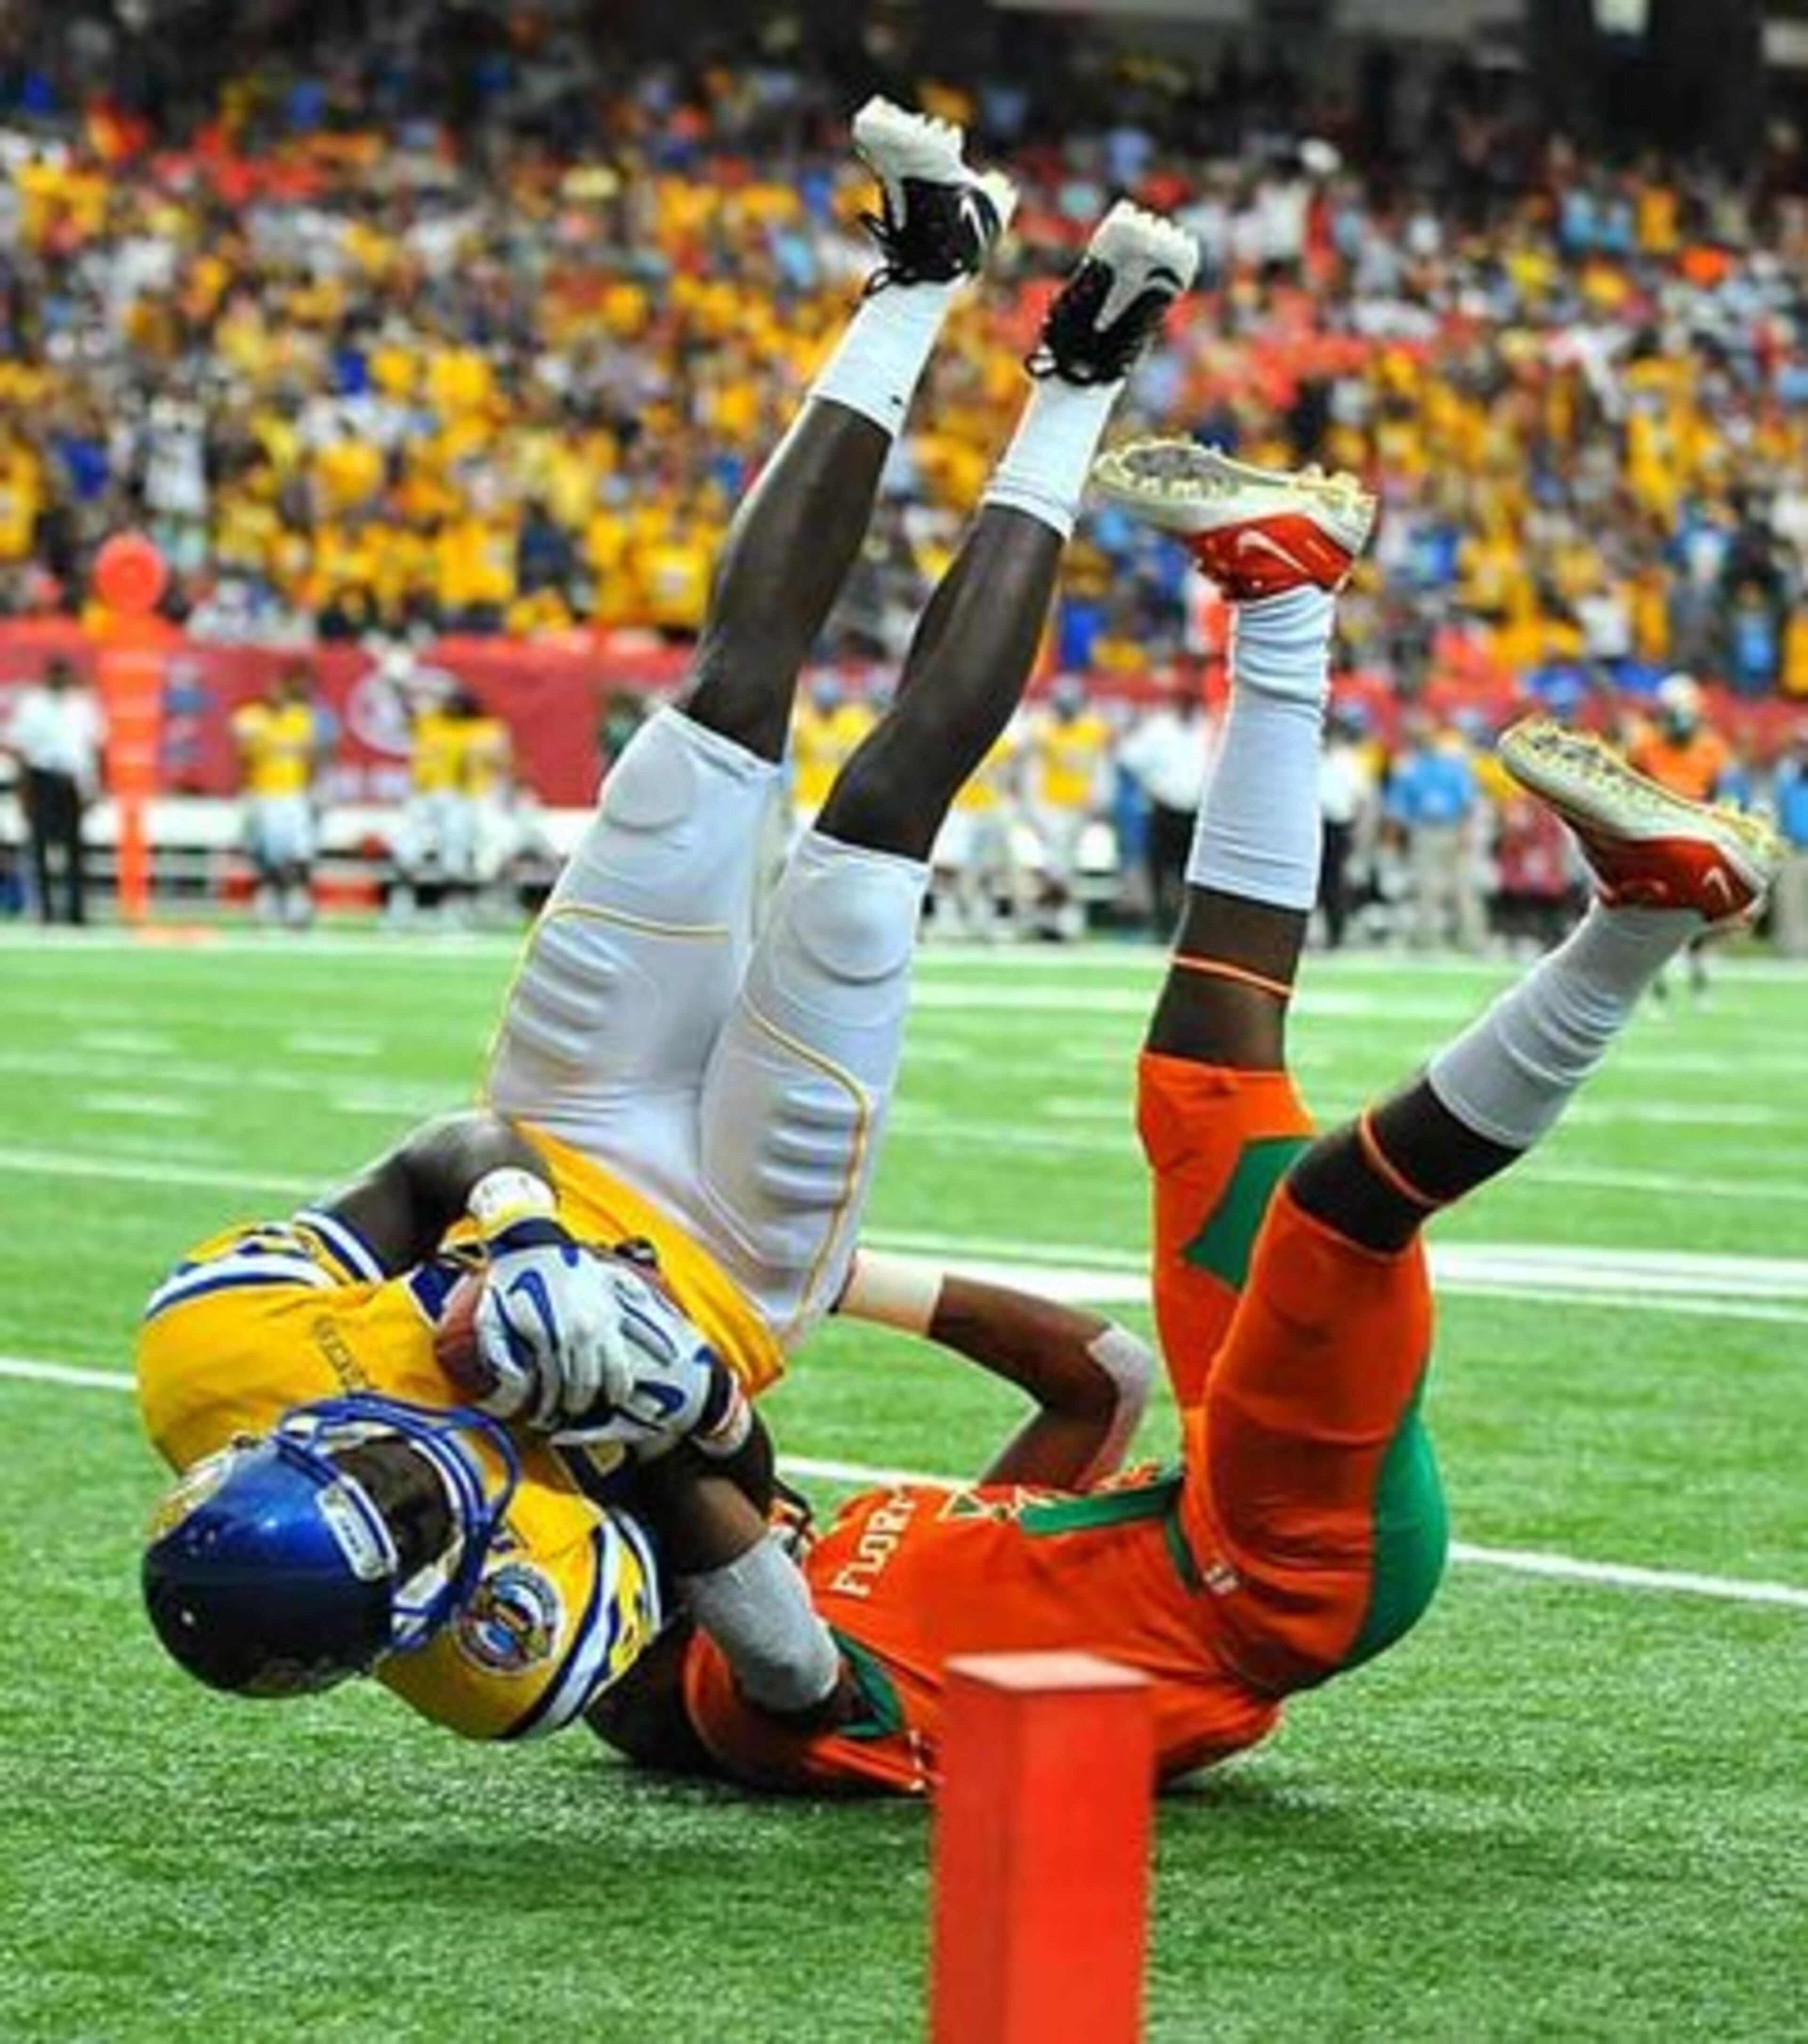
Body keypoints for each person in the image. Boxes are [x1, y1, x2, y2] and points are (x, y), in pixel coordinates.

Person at [136, 99, 1199, 1741]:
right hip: (734, 1263)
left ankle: (918, 277)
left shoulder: (218, 1358)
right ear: (412, 1609)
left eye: (360, 1470)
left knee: (709, 730)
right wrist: (656, 1413)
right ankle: (1080, 381)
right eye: (418, 1529)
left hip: (562, 1127)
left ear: (272, 1444)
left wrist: (524, 1235)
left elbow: (441, 1145)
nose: (411, 1482)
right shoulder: (499, 1649)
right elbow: (785, 1662)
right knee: (870, 842)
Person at [583, 437, 1784, 1795]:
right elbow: (782, 1658)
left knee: (1202, 1072)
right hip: (1274, 1572)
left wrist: (835, 1278)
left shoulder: (857, 1546)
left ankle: (1284, 591)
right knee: (1338, 1210)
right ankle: (1645, 916)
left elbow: (1098, 1373)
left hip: (1223, 1486)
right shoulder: (751, 1693)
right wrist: (639, 1419)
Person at [230, 659, 336, 927]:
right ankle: (272, 898)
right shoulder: (253, 718)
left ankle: (297, 902)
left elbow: (315, 755)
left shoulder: (301, 718)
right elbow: (243, 757)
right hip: (265, 794)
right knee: (269, 854)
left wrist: (316, 789)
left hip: (295, 795)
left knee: (301, 852)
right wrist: (247, 790)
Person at [3, 655, 105, 925]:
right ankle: (45, 911)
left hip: (72, 778)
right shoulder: (32, 705)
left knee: (75, 849)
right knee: (39, 847)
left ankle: (76, 912)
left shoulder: (83, 706)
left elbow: (95, 748)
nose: (60, 681)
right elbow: (22, 751)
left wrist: (94, 787)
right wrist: (23, 790)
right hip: (42, 776)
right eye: (56, 676)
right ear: (48, 677)